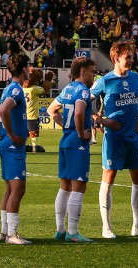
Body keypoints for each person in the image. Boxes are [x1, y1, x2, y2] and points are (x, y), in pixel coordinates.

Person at [91, 40, 138, 239]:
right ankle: (106, 227)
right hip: (114, 138)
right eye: (128, 57)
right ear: (117, 58)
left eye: (132, 56)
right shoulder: (104, 81)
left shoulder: (136, 78)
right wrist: (101, 120)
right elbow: (85, 101)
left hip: (132, 137)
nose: (131, 60)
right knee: (108, 179)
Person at [47, 56, 97, 243]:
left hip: (65, 141)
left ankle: (60, 230)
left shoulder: (67, 89)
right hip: (77, 144)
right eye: (92, 71)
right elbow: (78, 113)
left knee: (65, 186)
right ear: (82, 71)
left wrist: (66, 126)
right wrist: (80, 132)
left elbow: (51, 110)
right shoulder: (84, 92)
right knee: (78, 185)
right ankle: (73, 232)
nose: (94, 75)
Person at [0, 54, 32, 245]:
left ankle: (5, 232)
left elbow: (0, 112)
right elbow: (3, 111)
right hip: (12, 146)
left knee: (10, 189)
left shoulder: (10, 88)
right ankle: (12, 234)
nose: (30, 70)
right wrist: (11, 134)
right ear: (23, 69)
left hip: (7, 145)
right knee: (18, 189)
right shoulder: (16, 90)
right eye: (28, 67)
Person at [25, 69, 46, 153]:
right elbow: (43, 90)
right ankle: (35, 146)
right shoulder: (34, 89)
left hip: (23, 115)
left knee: (25, 132)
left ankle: (25, 146)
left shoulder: (22, 89)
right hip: (32, 115)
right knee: (34, 132)